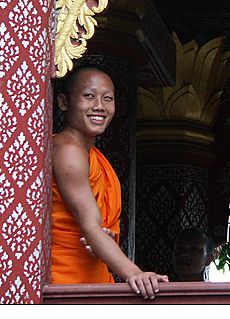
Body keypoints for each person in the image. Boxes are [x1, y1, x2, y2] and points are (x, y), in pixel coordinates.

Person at [51, 65, 169, 299]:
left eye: (108, 98)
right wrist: (134, 273)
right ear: (64, 102)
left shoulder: (91, 155)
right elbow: (90, 225)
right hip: (66, 280)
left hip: (92, 276)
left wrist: (103, 239)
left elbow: (95, 228)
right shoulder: (68, 151)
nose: (99, 106)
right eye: (89, 96)